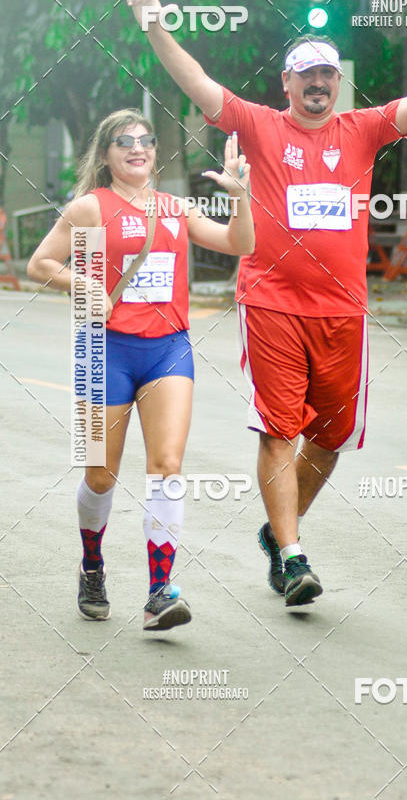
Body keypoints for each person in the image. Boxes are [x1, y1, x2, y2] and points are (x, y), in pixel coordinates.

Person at [127, 0, 407, 607]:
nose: (317, 83)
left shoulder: (363, 129)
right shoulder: (259, 126)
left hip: (344, 310)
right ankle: (292, 557)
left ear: (338, 84)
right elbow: (196, 82)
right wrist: (154, 25)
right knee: (279, 428)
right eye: (306, 74)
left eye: (327, 75)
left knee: (331, 438)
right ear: (286, 83)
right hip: (271, 302)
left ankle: (275, 530)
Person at [27, 108, 254, 630]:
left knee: (168, 465)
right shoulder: (90, 207)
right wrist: (82, 285)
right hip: (103, 349)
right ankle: (92, 564)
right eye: (124, 142)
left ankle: (159, 591)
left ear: (155, 151)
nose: (138, 148)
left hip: (167, 349)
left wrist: (239, 197)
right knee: (100, 474)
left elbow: (241, 244)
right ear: (106, 155)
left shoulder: (175, 208)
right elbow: (41, 263)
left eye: (145, 140)